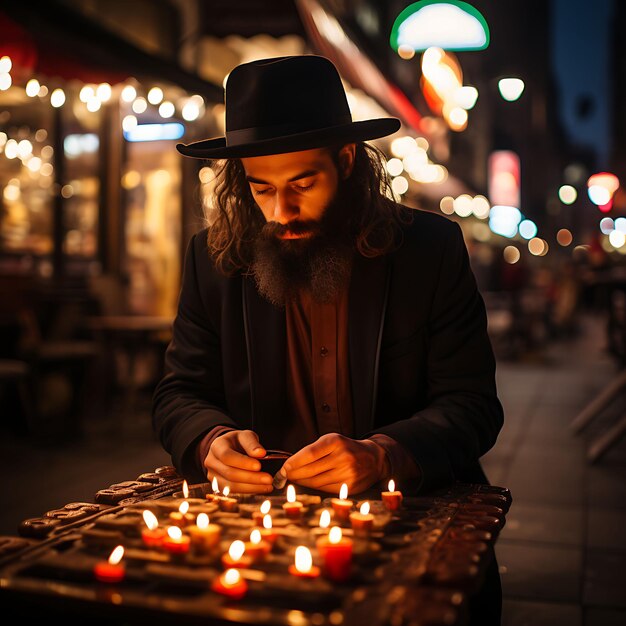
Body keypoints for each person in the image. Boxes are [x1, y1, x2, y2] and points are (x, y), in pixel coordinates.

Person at [152, 53, 503, 504]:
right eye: (262, 189)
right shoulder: (214, 259)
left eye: (302, 184)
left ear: (346, 160)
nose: (282, 212)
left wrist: (383, 455)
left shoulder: (429, 250)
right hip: (263, 521)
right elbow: (179, 393)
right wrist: (209, 441)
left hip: (406, 512)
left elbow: (473, 405)